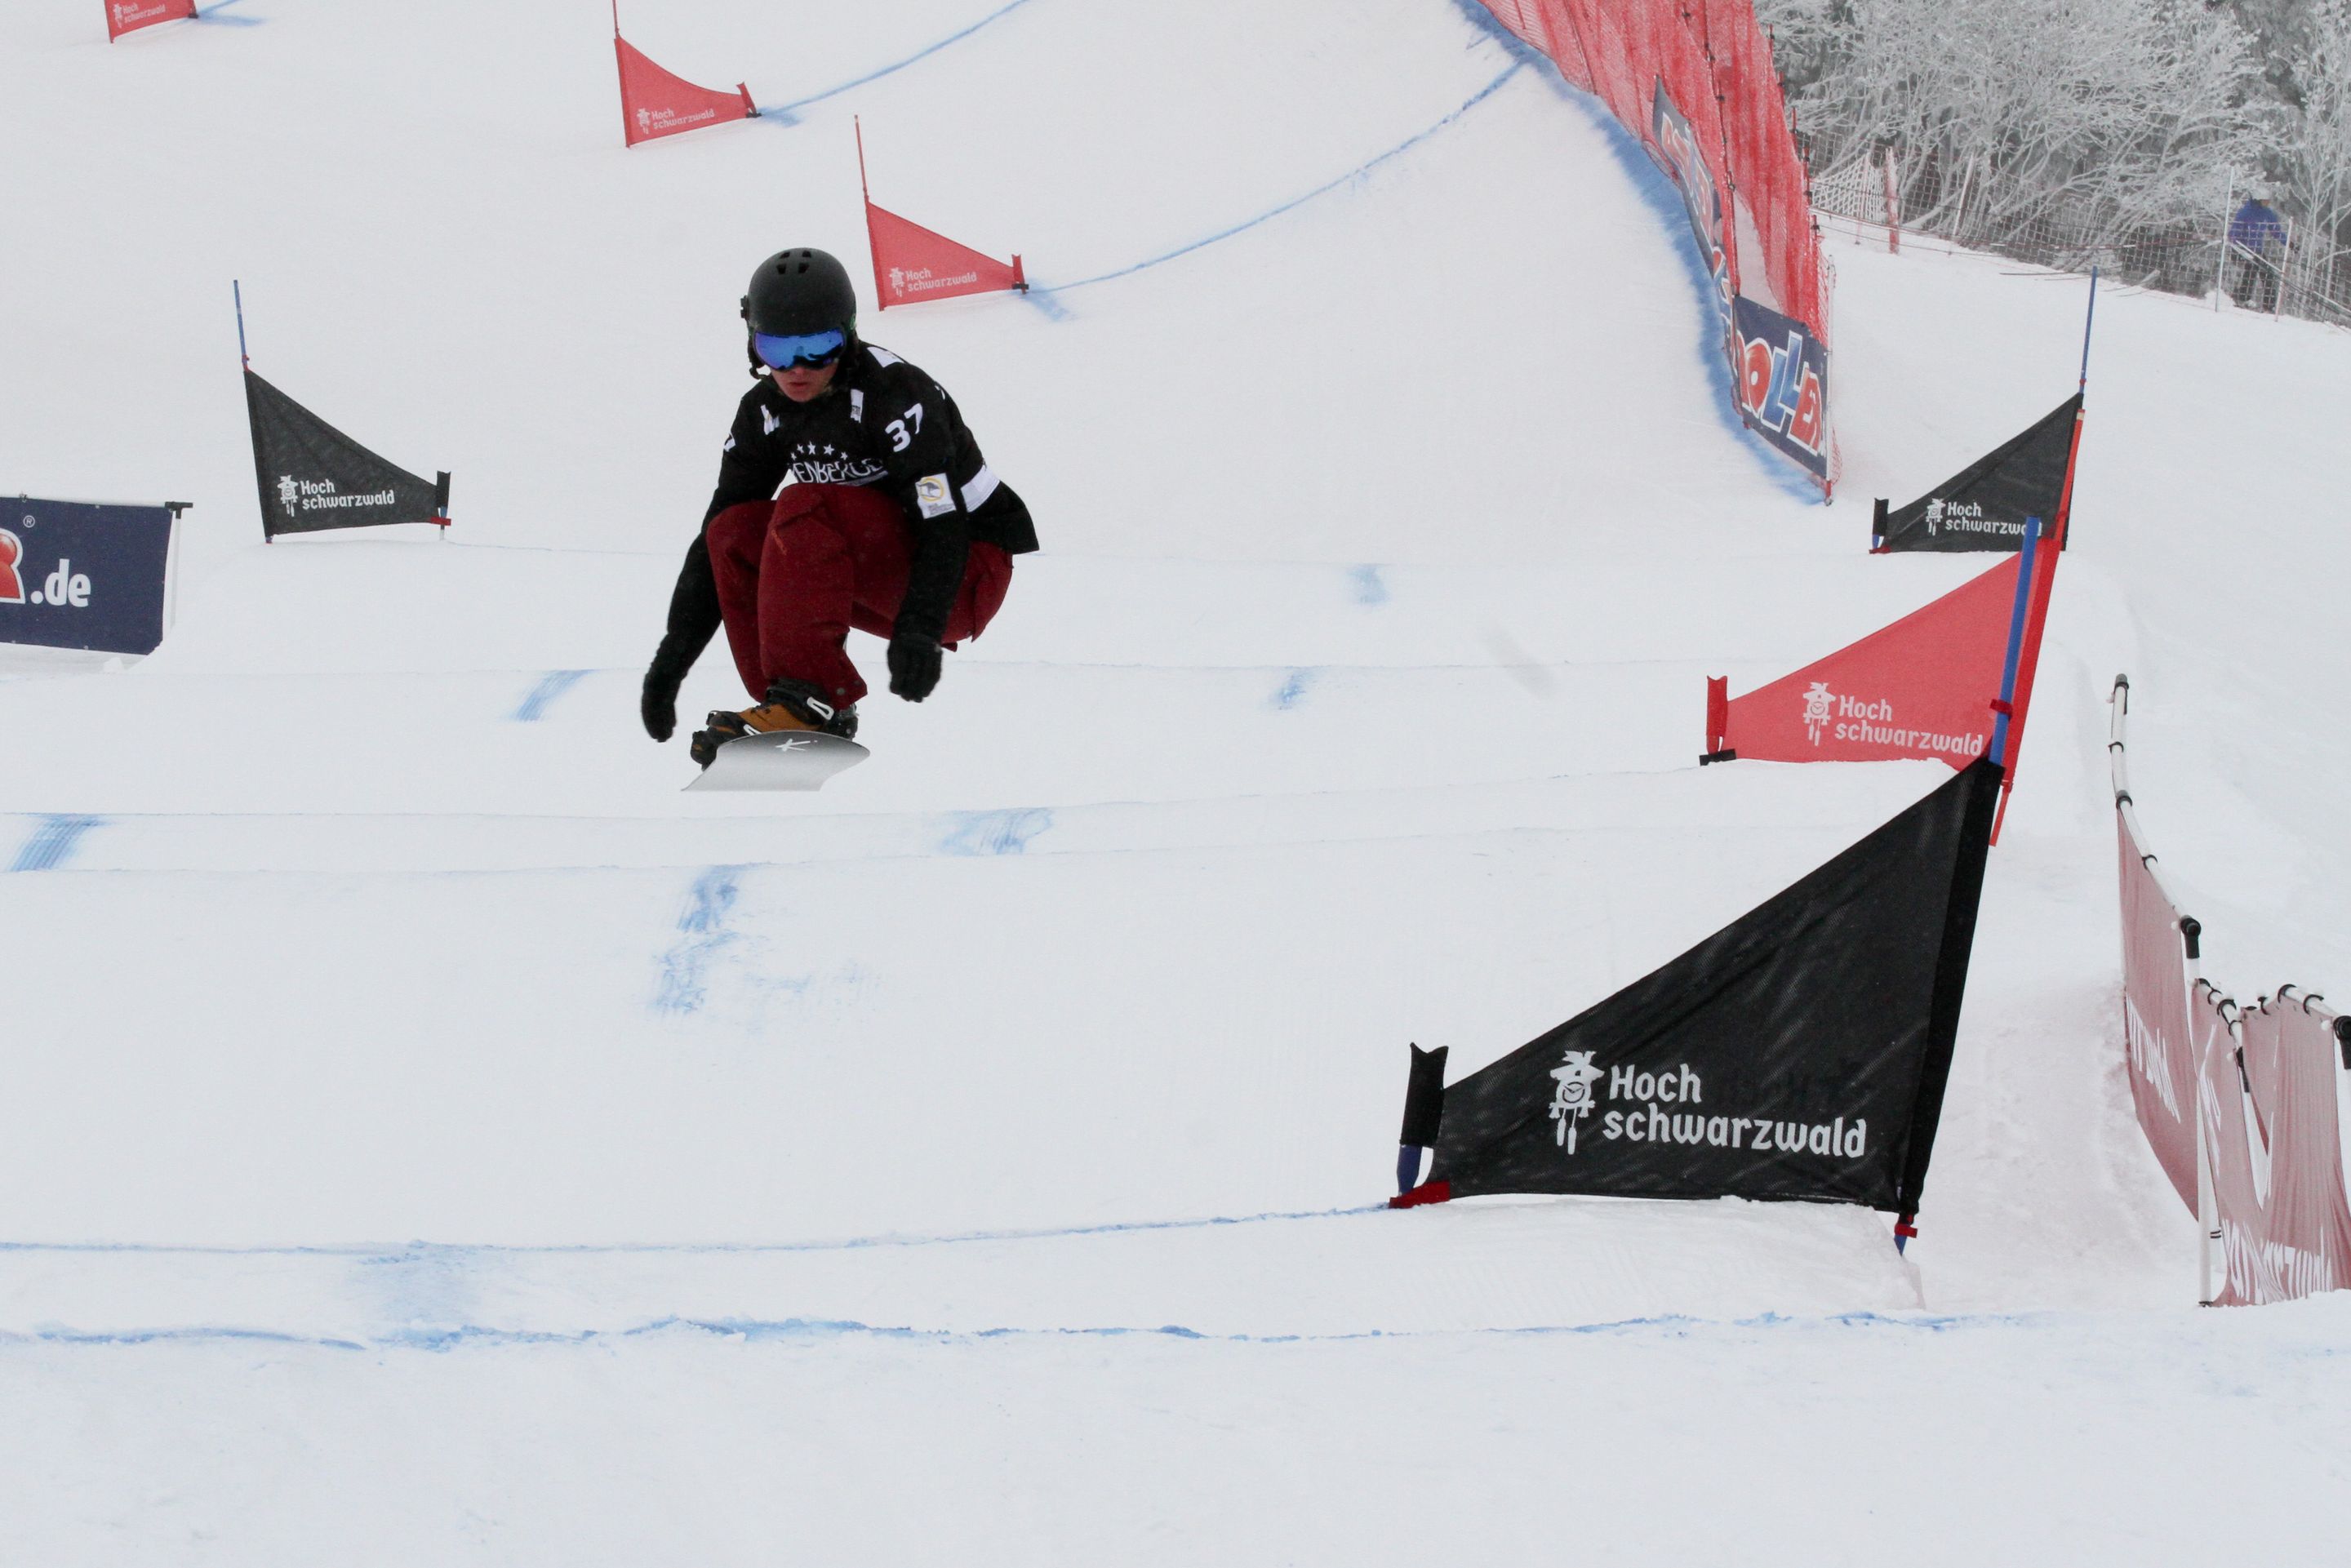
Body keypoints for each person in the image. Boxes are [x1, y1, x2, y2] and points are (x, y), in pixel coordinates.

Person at [638, 247, 1038, 766]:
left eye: (818, 347)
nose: (797, 370)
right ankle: (792, 703)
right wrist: (671, 661)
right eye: (778, 350)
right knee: (734, 530)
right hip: (878, 568)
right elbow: (714, 541)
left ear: (846, 337)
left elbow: (942, 522)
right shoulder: (762, 414)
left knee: (805, 504)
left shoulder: (897, 396)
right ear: (753, 344)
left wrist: (920, 627)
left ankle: (810, 698)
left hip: (964, 570)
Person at [2228, 197, 2287, 313]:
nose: (2268, 202)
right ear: (2257, 199)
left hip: (2257, 251)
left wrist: (2289, 243)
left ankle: (2267, 304)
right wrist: (2236, 246)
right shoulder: (2245, 212)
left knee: (2268, 274)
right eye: (2265, 200)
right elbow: (2235, 231)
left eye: (2268, 200)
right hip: (2243, 249)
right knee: (2251, 270)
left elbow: (2276, 231)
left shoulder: (2267, 213)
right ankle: (2244, 298)